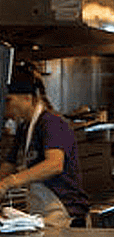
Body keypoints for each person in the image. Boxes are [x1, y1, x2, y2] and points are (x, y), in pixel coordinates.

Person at [0, 62, 89, 227]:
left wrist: (10, 181)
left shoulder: (51, 123)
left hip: (64, 212)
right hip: (41, 212)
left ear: (27, 98)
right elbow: (8, 166)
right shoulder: (23, 129)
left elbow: (54, 165)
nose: (6, 108)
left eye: (8, 100)